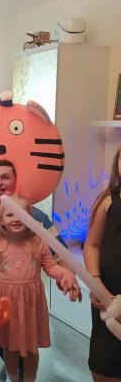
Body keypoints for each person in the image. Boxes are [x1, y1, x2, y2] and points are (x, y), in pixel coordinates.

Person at [0, 196, 77, 382]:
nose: (16, 218)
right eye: (10, 214)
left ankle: (30, 378)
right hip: (6, 305)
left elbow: (50, 266)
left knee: (31, 347)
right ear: (1, 219)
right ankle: (12, 377)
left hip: (31, 305)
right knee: (9, 346)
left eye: (21, 214)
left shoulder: (38, 242)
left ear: (30, 217)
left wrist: (65, 274)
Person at [84, 147, 121, 382]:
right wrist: (95, 282)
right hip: (107, 294)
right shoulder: (108, 200)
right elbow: (92, 245)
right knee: (104, 359)